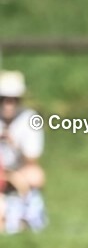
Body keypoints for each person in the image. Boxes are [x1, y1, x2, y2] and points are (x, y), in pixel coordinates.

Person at [0, 70, 47, 234]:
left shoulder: (29, 119)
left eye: (13, 100)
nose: (8, 104)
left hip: (19, 170)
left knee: (35, 175)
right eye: (4, 99)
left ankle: (27, 214)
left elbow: (32, 160)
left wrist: (14, 144)